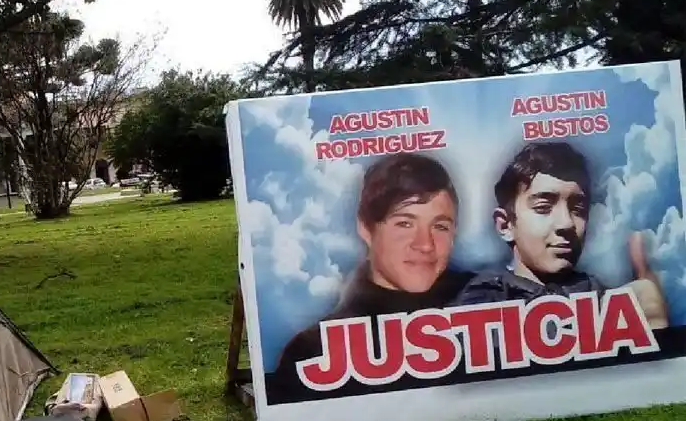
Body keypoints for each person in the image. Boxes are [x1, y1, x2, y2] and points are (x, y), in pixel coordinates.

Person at [268, 152, 474, 401]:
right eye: (404, 224)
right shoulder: (314, 351)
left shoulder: (491, 300)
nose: (426, 244)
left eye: (440, 226)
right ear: (366, 228)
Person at [451, 141, 668, 329]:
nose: (566, 223)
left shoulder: (601, 295)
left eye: (578, 210)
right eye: (543, 207)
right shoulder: (483, 299)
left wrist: (653, 336)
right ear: (505, 225)